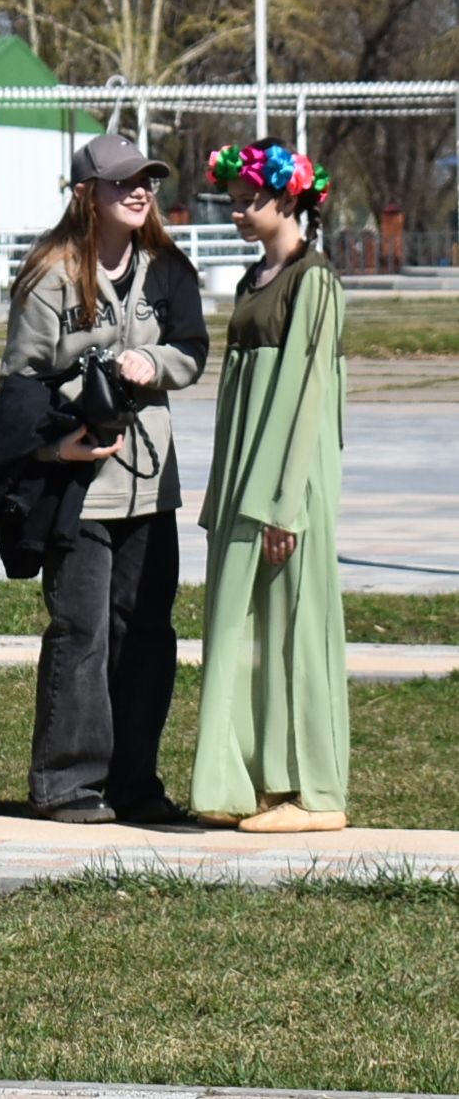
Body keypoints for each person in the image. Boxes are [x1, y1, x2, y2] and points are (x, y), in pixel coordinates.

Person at [0, 133, 208, 825]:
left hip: (151, 480)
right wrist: (57, 447)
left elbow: (193, 349)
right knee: (80, 632)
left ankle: (136, 785)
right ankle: (66, 784)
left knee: (146, 632)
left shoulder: (168, 267)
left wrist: (157, 363)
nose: (139, 191)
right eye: (123, 182)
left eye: (146, 179)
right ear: (88, 193)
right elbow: (19, 383)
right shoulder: (49, 273)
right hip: (77, 486)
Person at [191, 140, 348, 834]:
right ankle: (251, 779)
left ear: (290, 199)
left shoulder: (314, 281)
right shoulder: (257, 276)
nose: (239, 212)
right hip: (243, 480)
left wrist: (285, 503)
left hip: (286, 487)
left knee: (296, 630)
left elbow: (308, 395)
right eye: (234, 202)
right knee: (243, 630)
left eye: (250, 200)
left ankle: (312, 794)